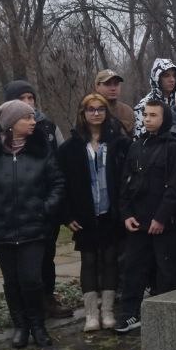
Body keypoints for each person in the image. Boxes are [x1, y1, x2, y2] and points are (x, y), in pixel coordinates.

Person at [0, 100, 65, 349]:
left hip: (34, 227)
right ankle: (20, 326)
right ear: (11, 123)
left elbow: (57, 183)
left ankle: (38, 325)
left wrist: (45, 209)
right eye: (27, 118)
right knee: (11, 280)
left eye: (33, 117)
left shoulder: (41, 149)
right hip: (0, 228)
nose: (33, 122)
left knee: (31, 279)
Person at [58, 93, 127, 333]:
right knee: (88, 261)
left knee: (110, 260)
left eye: (100, 109)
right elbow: (62, 184)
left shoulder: (118, 143)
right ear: (83, 113)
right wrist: (66, 215)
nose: (96, 113)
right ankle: (91, 313)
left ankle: (107, 310)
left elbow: (127, 180)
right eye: (91, 109)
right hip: (84, 215)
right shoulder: (70, 147)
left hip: (110, 212)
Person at [115, 98, 176, 333]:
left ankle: (166, 316)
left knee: (167, 272)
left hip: (164, 223)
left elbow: (175, 187)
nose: (147, 119)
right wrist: (126, 214)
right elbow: (125, 183)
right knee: (132, 269)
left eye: (153, 115)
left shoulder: (174, 146)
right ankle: (128, 314)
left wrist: (161, 218)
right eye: (145, 115)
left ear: (164, 117)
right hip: (137, 221)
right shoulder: (136, 145)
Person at [134, 57, 176, 135]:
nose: (172, 79)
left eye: (174, 76)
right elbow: (139, 138)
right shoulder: (145, 104)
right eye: (167, 76)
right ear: (157, 78)